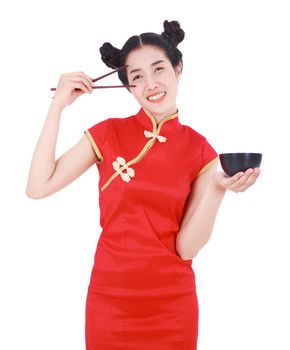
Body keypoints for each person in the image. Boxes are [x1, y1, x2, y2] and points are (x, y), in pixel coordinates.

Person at [26, 20, 260, 350]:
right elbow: (38, 186)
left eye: (159, 69)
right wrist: (57, 107)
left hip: (172, 305)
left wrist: (217, 190)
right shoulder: (106, 134)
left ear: (178, 70)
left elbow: (187, 249)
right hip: (109, 302)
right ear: (129, 87)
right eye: (137, 76)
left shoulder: (200, 150)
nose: (151, 84)